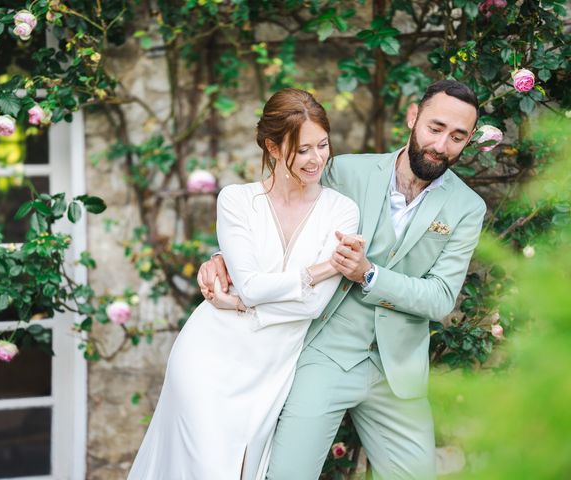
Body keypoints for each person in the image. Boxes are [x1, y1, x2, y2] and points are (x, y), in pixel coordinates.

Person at [198, 80, 487, 480]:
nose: (441, 145)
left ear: (469, 139)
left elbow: (439, 299)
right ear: (412, 117)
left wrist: (368, 274)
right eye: (435, 128)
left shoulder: (467, 207)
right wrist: (224, 257)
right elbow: (283, 216)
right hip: (325, 354)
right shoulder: (346, 170)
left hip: (397, 372)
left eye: (457, 137)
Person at [127, 88, 359, 480]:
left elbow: (312, 307)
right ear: (272, 146)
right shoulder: (236, 201)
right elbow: (250, 285)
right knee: (201, 469)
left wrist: (236, 302)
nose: (316, 158)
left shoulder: (342, 210)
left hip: (271, 368)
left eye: (323, 145)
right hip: (208, 356)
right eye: (302, 149)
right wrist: (312, 272)